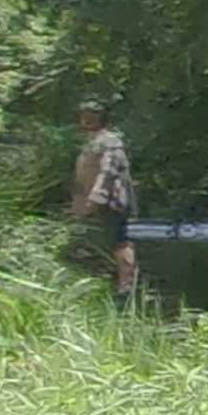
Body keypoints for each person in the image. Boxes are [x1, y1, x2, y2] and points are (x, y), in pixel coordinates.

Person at [67, 99, 137, 297]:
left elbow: (108, 172)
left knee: (119, 242)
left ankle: (125, 286)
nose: (87, 119)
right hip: (89, 203)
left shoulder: (110, 141)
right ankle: (101, 285)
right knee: (93, 242)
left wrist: (97, 197)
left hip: (110, 203)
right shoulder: (90, 143)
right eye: (84, 115)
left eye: (93, 115)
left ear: (103, 118)